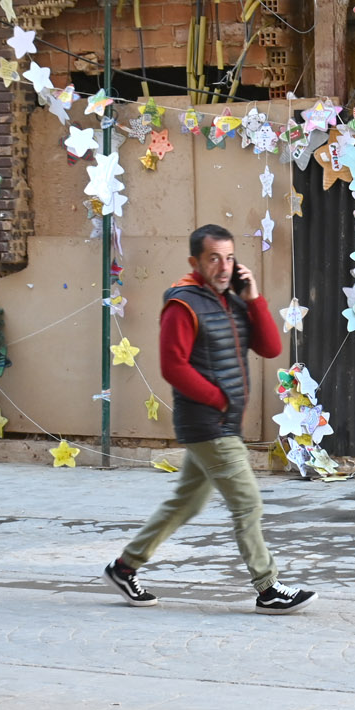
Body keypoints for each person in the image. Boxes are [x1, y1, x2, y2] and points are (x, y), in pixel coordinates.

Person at [102, 224, 316, 615]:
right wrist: (218, 400)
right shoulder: (182, 306)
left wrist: (253, 298)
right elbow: (172, 366)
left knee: (185, 504)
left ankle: (124, 567)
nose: (223, 266)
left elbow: (270, 347)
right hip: (208, 423)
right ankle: (268, 587)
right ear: (195, 261)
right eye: (214, 258)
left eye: (229, 258)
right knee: (248, 503)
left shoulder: (231, 302)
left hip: (222, 422)